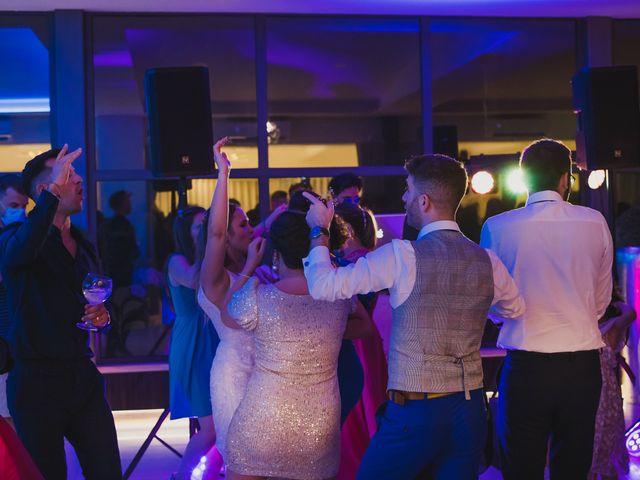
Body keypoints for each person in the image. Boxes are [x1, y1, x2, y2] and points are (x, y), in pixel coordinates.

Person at [303, 153, 524, 479]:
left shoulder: (402, 256)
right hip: (469, 410)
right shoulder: (485, 259)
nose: (403, 199)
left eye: (407, 191)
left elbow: (324, 286)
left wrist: (320, 230)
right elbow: (514, 309)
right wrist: (475, 307)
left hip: (416, 410)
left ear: (424, 200)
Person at [480, 138, 613, 480]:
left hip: (527, 367)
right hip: (582, 367)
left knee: (520, 467)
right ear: (566, 179)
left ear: (523, 178)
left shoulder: (497, 227)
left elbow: (493, 305)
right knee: (573, 467)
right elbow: (600, 302)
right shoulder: (595, 221)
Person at [0, 146, 121, 479]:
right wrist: (52, 195)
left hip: (82, 376)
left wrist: (104, 315)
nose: (80, 179)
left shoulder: (83, 242)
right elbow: (18, 255)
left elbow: (105, 299)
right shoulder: (14, 238)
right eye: (68, 175)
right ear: (44, 190)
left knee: (108, 472)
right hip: (35, 382)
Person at [225, 192, 363, 480]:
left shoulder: (259, 297)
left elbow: (228, 315)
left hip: (260, 421)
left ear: (275, 254)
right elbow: (365, 326)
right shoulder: (338, 296)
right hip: (317, 427)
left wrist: (250, 265)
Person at [197, 137, 261, 461]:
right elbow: (217, 234)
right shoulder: (215, 277)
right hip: (234, 372)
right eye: (244, 224)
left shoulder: (244, 267)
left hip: (263, 371)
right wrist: (224, 174)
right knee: (241, 456)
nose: (251, 229)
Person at [333, 203, 388, 480]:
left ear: (349, 230)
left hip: (353, 341)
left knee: (352, 411)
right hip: (369, 343)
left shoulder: (346, 265)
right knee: (370, 407)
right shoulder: (372, 258)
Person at [167, 206, 220, 480]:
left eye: (207, 226)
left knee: (224, 422)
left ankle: (210, 474)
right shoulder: (177, 261)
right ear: (186, 233)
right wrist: (210, 248)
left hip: (215, 339)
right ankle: (182, 476)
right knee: (210, 427)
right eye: (200, 227)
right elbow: (194, 280)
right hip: (194, 343)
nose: (205, 232)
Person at [590, 297, 636, 480]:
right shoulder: (589, 330)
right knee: (592, 451)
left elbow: (631, 314)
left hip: (603, 394)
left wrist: (617, 302)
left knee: (603, 452)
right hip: (592, 391)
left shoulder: (610, 328)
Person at [0, 174, 29, 426]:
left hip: (23, 343)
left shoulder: (24, 238)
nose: (20, 212)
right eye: (13, 206)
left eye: (23, 207)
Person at [102, 190, 140, 289]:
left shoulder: (109, 225)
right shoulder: (124, 226)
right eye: (128, 201)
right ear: (122, 204)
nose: (130, 204)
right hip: (122, 275)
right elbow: (133, 252)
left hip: (113, 273)